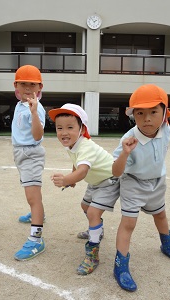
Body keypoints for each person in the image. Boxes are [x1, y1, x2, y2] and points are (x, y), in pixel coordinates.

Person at [112, 84, 170, 292]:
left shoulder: (166, 128)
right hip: (133, 183)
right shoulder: (129, 139)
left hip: (156, 181)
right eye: (140, 113)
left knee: (161, 215)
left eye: (154, 112)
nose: (147, 118)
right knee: (129, 223)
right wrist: (125, 153)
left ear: (164, 114)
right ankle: (121, 266)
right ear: (133, 115)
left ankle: (167, 245)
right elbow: (116, 171)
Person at [49, 104, 120, 275]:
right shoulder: (72, 144)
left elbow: (82, 170)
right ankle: (97, 230)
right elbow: (76, 162)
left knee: (93, 213)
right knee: (85, 207)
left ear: (82, 129)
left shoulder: (86, 146)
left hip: (109, 181)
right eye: (59, 128)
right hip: (95, 182)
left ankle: (93, 254)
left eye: (70, 127)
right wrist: (71, 180)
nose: (64, 132)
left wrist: (66, 179)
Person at [11, 65, 46, 261]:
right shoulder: (21, 104)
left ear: (39, 88)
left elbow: (37, 135)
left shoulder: (35, 107)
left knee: (32, 197)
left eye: (32, 84)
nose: (27, 88)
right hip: (20, 152)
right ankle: (38, 214)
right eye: (23, 83)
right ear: (16, 86)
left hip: (31, 153)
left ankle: (36, 240)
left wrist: (33, 113)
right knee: (33, 195)